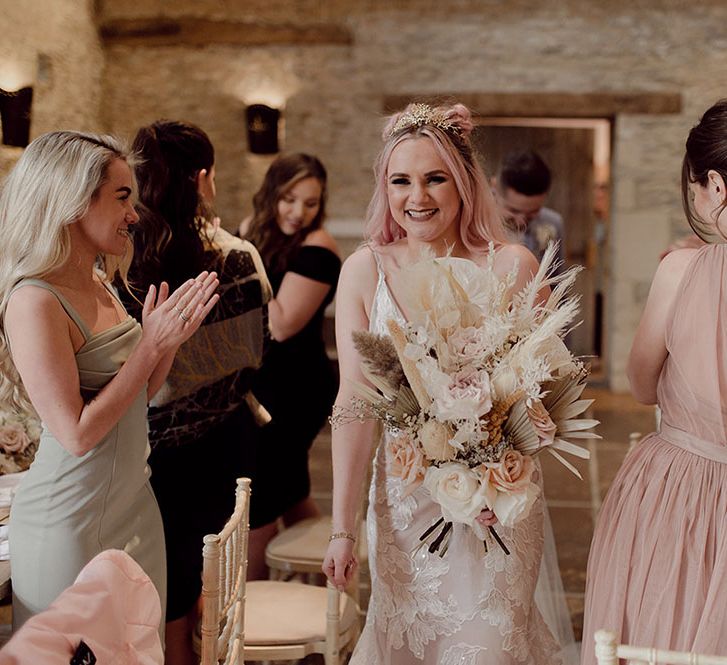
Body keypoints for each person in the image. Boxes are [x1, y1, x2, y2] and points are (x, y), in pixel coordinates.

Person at [322, 102, 574, 664]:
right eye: (401, 181)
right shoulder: (365, 272)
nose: (418, 198)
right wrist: (341, 528)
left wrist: (499, 471)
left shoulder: (512, 267)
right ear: (383, 188)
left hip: (498, 509)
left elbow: (543, 400)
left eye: (436, 178)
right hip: (404, 505)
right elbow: (354, 404)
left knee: (488, 646)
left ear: (464, 183)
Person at [0, 131, 219, 631]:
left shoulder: (99, 279)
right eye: (122, 197)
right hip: (68, 521)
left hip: (134, 505)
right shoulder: (34, 300)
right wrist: (149, 346)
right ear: (73, 200)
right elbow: (76, 434)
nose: (134, 214)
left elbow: (136, 398)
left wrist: (168, 343)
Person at [119, 120, 271, 665]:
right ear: (203, 178)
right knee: (213, 576)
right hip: (220, 444)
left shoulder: (117, 260)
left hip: (140, 446)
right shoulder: (234, 258)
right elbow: (255, 353)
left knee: (159, 584)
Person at [581, 99, 727, 663]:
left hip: (684, 491)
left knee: (659, 635)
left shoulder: (682, 269)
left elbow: (640, 385)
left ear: (714, 184)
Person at [240, 153, 341, 579]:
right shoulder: (255, 231)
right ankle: (326, 583)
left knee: (260, 505)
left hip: (297, 388)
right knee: (292, 491)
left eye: (311, 202)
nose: (299, 212)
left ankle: (253, 612)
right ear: (271, 195)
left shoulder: (320, 248)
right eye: (289, 199)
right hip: (263, 382)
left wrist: (243, 256)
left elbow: (281, 324)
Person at [494, 149, 566, 270]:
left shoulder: (553, 222)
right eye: (514, 211)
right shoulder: (475, 219)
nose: (520, 221)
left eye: (532, 213)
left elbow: (556, 277)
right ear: (494, 188)